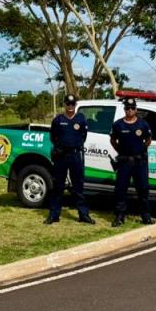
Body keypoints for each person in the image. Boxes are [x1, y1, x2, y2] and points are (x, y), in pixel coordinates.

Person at [46, 94, 94, 224]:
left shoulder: (81, 119)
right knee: (58, 187)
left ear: (75, 105)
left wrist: (74, 145)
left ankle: (83, 215)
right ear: (65, 104)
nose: (70, 106)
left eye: (73, 104)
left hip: (75, 156)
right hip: (61, 156)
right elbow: (53, 137)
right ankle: (54, 215)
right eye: (68, 104)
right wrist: (61, 147)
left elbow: (83, 136)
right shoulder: (58, 120)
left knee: (78, 186)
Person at [110, 97, 155, 227]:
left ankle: (146, 216)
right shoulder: (118, 124)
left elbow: (148, 140)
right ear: (124, 110)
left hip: (139, 162)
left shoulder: (143, 124)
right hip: (124, 162)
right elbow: (113, 140)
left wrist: (141, 150)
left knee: (143, 190)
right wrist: (122, 152)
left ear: (136, 109)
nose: (130, 110)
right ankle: (119, 216)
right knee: (120, 189)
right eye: (127, 108)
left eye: (132, 108)